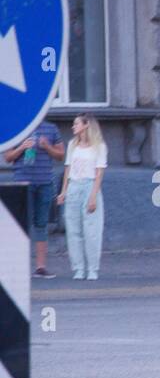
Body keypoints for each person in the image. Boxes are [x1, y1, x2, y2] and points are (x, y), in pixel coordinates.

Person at [4, 120, 65, 278]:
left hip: (44, 182)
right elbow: (8, 157)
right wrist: (22, 147)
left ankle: (40, 267)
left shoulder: (51, 128)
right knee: (20, 225)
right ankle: (18, 266)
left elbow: (60, 155)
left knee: (41, 224)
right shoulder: (16, 126)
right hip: (23, 183)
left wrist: (47, 147)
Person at [56, 114, 108, 281]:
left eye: (76, 123)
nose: (73, 126)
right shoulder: (72, 145)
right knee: (73, 231)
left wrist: (93, 197)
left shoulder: (99, 146)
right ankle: (78, 268)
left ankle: (93, 269)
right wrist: (64, 191)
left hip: (89, 186)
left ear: (86, 125)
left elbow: (99, 173)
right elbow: (68, 169)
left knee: (92, 231)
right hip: (74, 187)